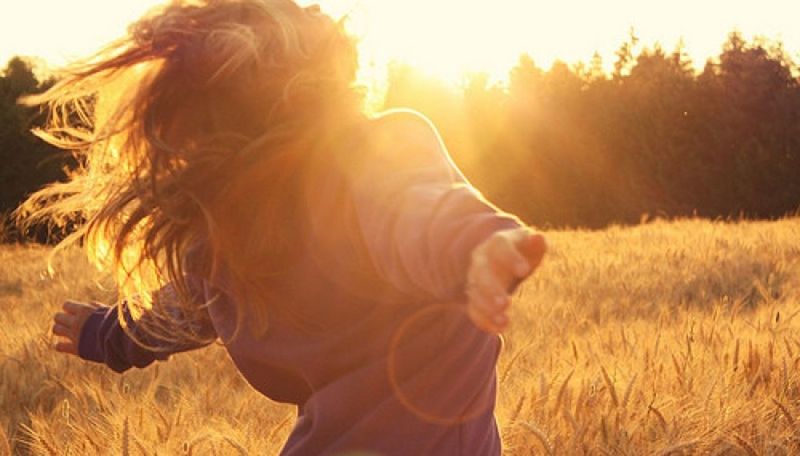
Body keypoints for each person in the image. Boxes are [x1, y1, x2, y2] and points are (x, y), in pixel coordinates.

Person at [23, 0, 547, 454]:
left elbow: (177, 312)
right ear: (309, 72)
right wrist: (475, 250)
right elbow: (419, 211)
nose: (317, 7)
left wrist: (107, 334)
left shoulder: (220, 238)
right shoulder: (376, 152)